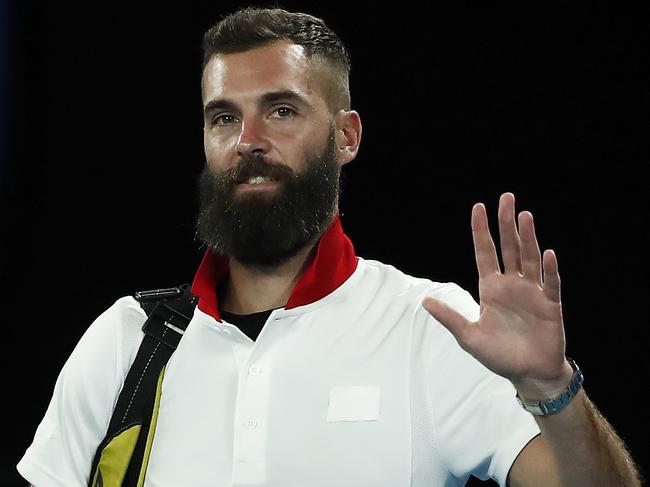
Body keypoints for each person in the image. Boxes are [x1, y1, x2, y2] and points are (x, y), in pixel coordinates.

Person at [17, 7, 641, 487]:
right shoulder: (126, 341)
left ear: (346, 136)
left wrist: (550, 388)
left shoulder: (431, 326)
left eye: (282, 110)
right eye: (223, 117)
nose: (248, 141)